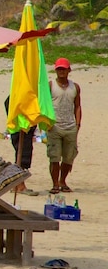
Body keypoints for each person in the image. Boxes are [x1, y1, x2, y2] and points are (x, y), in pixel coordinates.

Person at [47, 58, 81, 194]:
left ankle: (63, 181)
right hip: (55, 127)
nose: (61, 71)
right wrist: (47, 123)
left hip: (71, 126)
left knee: (69, 157)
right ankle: (55, 183)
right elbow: (44, 105)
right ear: (55, 70)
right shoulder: (50, 85)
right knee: (54, 157)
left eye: (64, 69)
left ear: (69, 70)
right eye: (59, 69)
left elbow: (78, 106)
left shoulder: (75, 87)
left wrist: (78, 124)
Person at [4, 95, 38, 196]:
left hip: (22, 127)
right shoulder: (19, 94)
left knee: (23, 154)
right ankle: (20, 185)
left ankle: (17, 185)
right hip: (20, 127)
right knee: (22, 155)